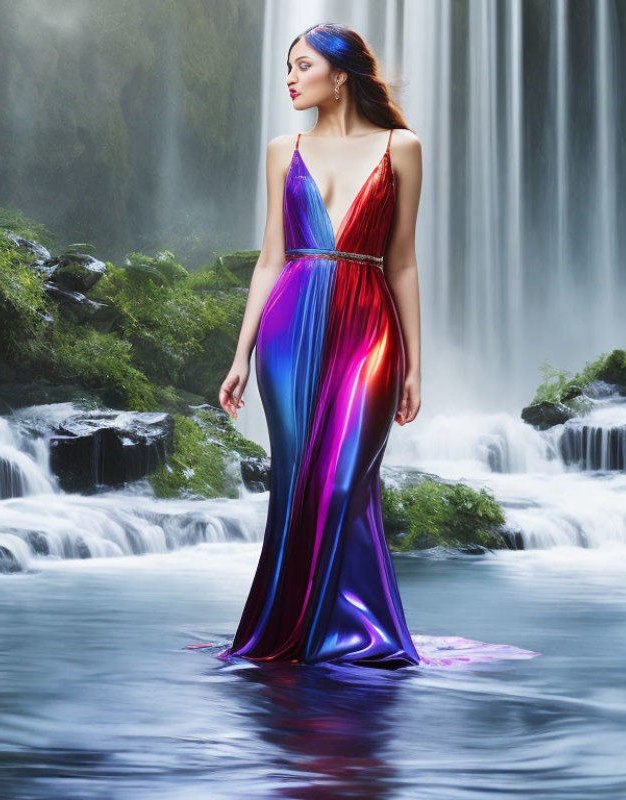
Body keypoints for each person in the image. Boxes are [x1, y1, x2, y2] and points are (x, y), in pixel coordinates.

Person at [217, 22, 424, 669]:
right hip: (288, 325)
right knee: (295, 479)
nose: (289, 78)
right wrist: (240, 354)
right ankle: (301, 631)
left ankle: (351, 629)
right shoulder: (284, 149)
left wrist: (417, 362)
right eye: (286, 66)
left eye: (301, 65)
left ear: (340, 74)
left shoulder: (402, 147)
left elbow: (404, 262)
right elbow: (270, 258)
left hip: (368, 326)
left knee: (341, 482)